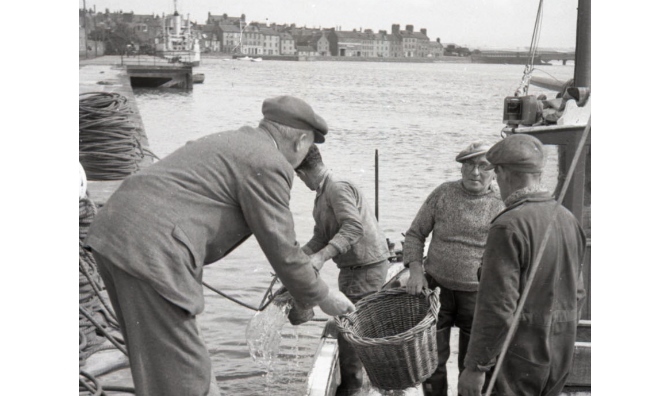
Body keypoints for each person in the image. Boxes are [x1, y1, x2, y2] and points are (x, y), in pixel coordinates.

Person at [84, 95, 356, 396]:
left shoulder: (235, 142)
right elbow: (283, 249)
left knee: (159, 363)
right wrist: (324, 295)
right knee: (185, 373)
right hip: (150, 251)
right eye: (307, 147)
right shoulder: (269, 161)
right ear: (300, 140)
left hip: (113, 234)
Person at [458, 134, 586, 396]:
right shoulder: (568, 218)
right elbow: (578, 293)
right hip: (559, 354)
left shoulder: (508, 225)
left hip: (517, 359)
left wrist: (475, 367)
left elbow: (497, 307)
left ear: (503, 173)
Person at [403, 141, 505, 396]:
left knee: (472, 364)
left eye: (484, 166)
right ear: (461, 168)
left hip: (478, 295)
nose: (475, 172)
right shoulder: (443, 194)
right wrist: (416, 271)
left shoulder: (502, 204)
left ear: (495, 172)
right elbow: (415, 234)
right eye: (469, 165)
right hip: (437, 289)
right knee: (431, 359)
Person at [295, 144, 391, 396]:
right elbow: (320, 237)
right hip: (352, 268)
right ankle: (354, 383)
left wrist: (321, 258)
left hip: (366, 269)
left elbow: (352, 228)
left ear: (302, 173)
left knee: (352, 334)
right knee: (349, 329)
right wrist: (297, 259)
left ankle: (354, 388)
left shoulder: (337, 188)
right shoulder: (323, 193)